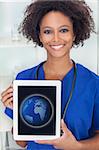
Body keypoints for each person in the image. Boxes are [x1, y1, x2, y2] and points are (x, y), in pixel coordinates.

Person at [1, 0, 99, 149]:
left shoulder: (93, 84)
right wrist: (18, 112)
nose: (56, 38)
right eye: (47, 31)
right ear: (39, 35)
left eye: (64, 30)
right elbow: (22, 143)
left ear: (74, 34)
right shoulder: (24, 79)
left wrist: (76, 146)